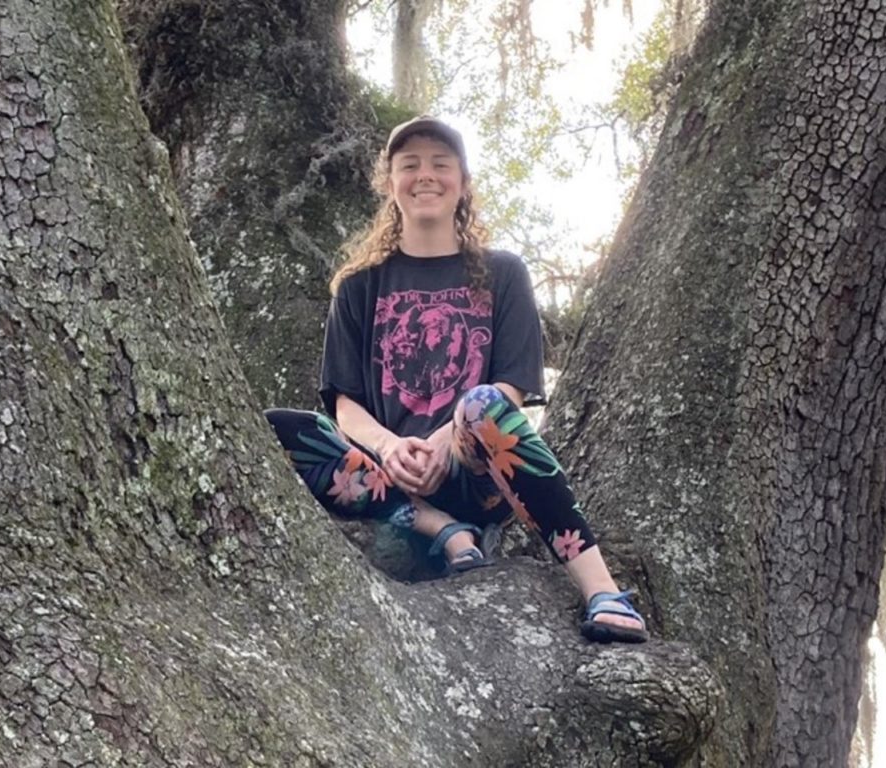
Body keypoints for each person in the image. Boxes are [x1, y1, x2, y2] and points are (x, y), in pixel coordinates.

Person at [265, 116, 646, 643]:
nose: (426, 176)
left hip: (476, 475)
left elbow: (510, 390)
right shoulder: (358, 286)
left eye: (441, 165)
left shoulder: (503, 272)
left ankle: (601, 589)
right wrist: (393, 447)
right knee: (274, 429)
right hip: (386, 478)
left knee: (482, 402)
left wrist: (445, 442)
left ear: (463, 183)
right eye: (410, 165)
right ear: (390, 183)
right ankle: (437, 527)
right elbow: (344, 405)